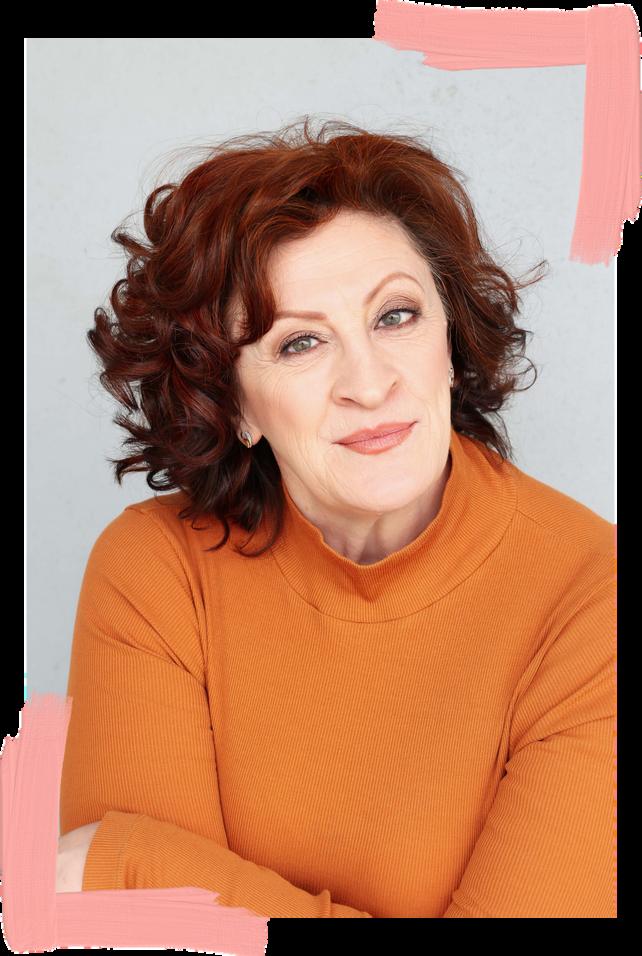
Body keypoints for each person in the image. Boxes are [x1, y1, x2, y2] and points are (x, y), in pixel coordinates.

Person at [59, 118, 616, 917]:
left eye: (395, 316)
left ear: (452, 340)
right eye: (299, 344)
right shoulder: (158, 573)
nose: (369, 382)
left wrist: (131, 865)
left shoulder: (595, 598)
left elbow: (116, 896)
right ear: (234, 403)